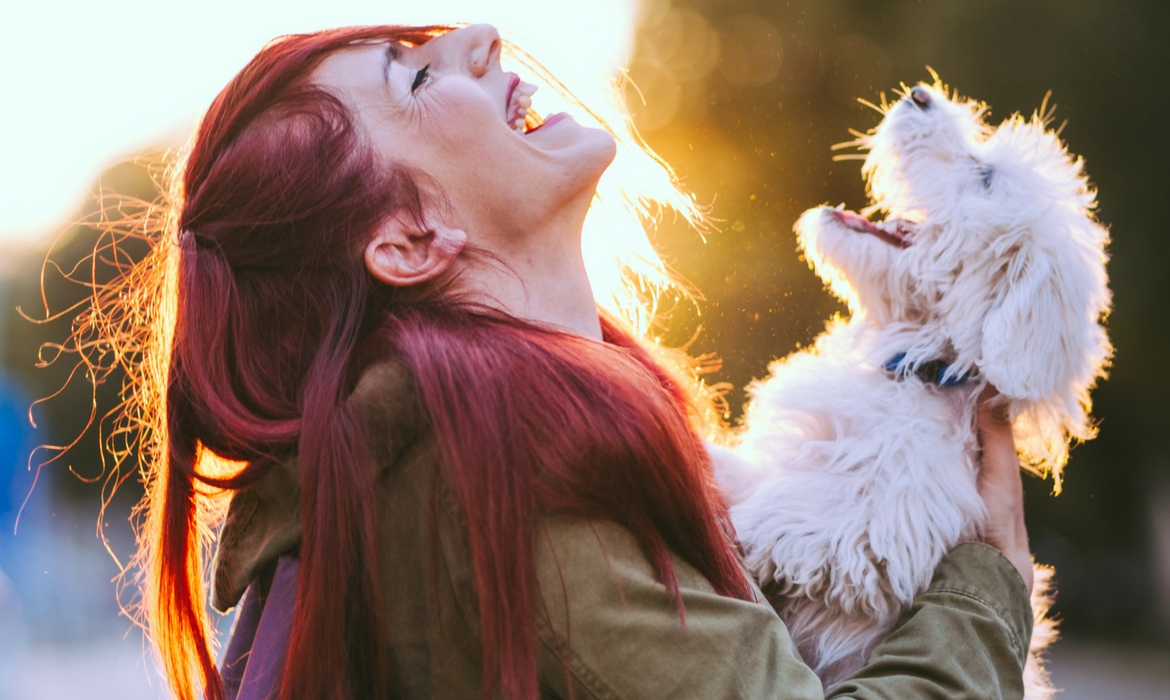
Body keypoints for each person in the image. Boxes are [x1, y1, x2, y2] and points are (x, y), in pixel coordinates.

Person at [113, 23, 1034, 700]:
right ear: (407, 241)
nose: (479, 37)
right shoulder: (505, 476)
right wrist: (991, 578)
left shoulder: (456, 449)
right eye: (419, 80)